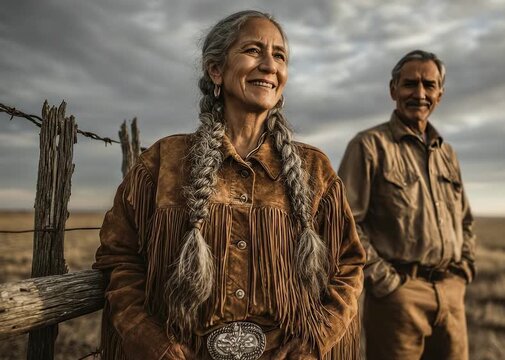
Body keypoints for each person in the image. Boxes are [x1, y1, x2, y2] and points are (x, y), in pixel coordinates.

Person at [94, 10, 365, 360]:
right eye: (253, 50)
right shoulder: (163, 162)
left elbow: (349, 264)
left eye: (279, 56)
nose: (270, 65)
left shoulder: (315, 170)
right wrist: (153, 343)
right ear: (216, 70)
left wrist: (315, 342)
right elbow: (119, 259)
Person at [338, 50, 476, 360]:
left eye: (429, 85)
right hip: (399, 299)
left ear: (440, 93)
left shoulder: (447, 153)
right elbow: (343, 224)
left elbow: (465, 220)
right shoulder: (368, 146)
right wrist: (386, 283)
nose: (420, 93)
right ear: (393, 90)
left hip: (451, 294)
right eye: (410, 84)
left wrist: (464, 270)